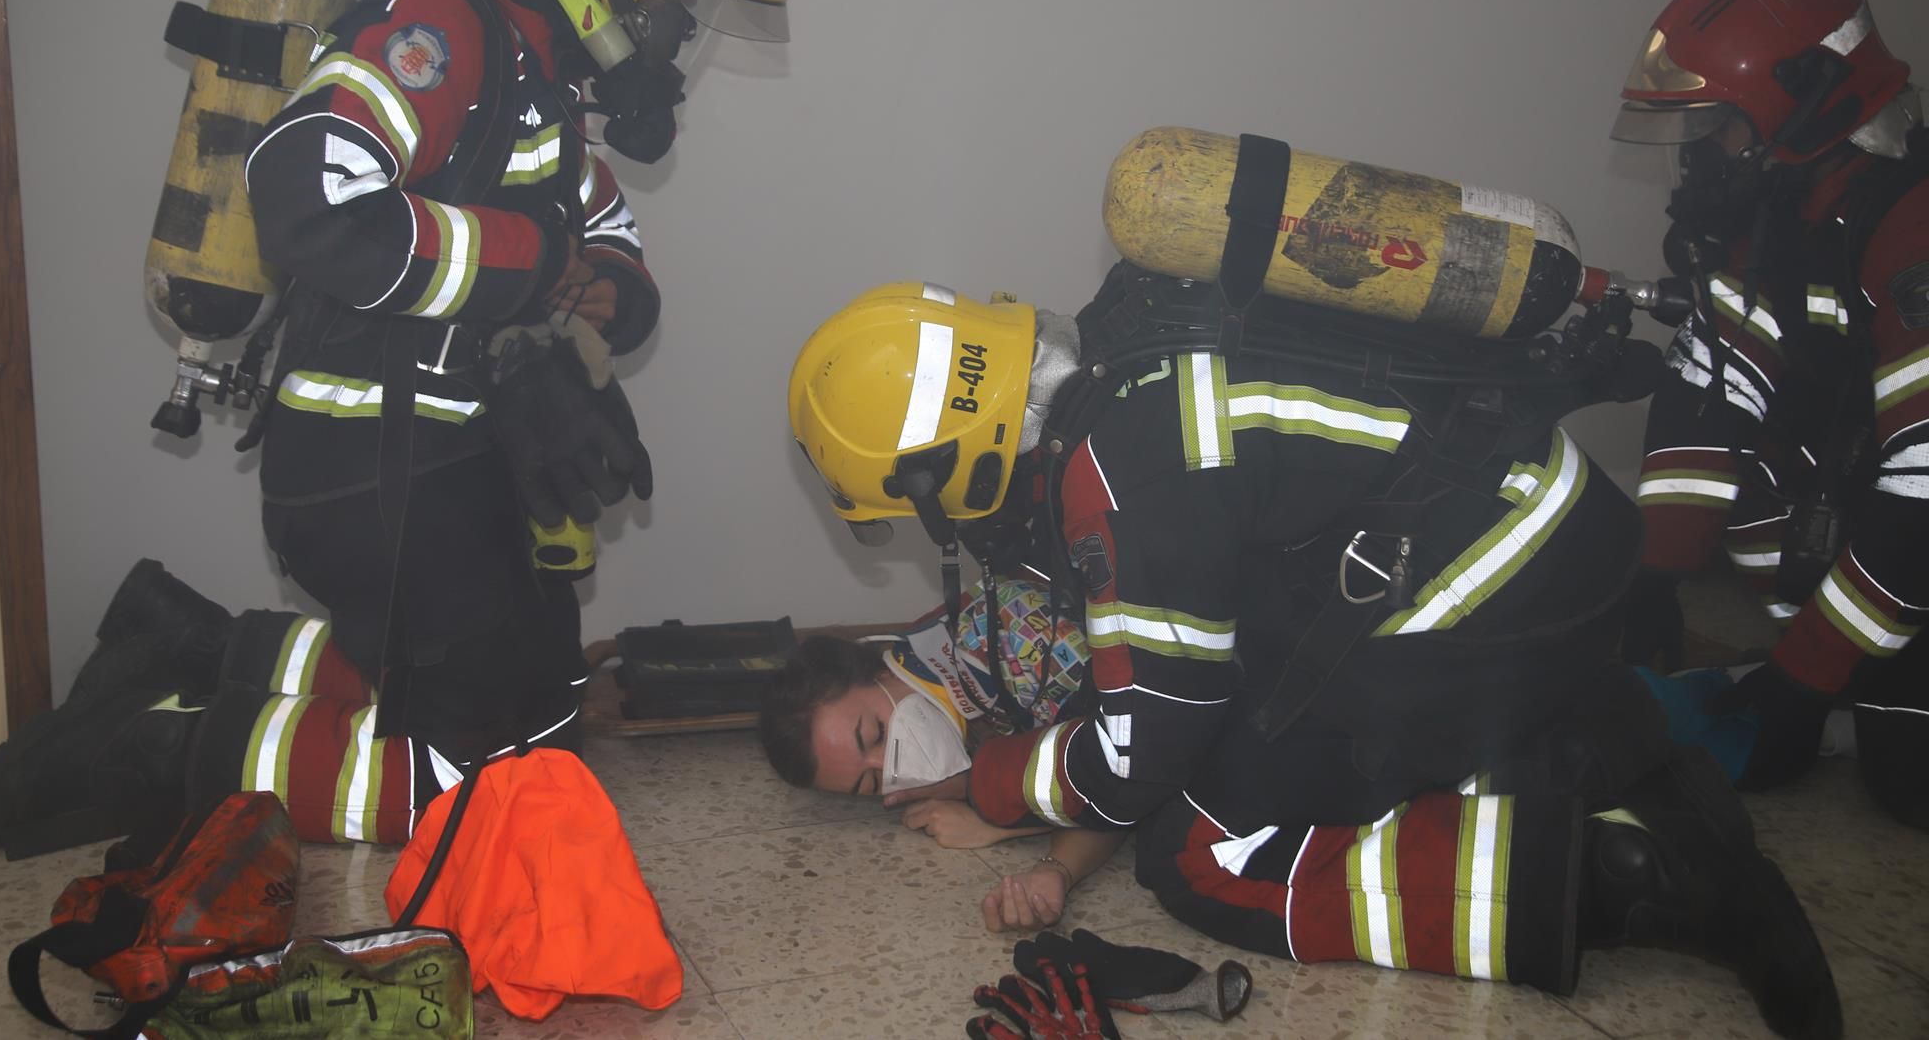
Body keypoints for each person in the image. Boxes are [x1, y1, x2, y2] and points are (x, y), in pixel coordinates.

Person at [0, 0, 787, 858]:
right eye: (682, 8)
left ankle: (199, 654)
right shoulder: (444, 24)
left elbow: (604, 241)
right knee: (478, 786)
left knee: (543, 721)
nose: (678, 43)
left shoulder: (541, 74)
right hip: (365, 465)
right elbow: (308, 199)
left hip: (458, 463)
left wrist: (601, 293)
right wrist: (534, 272)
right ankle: (161, 747)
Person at [785, 278, 1843, 1038]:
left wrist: (991, 782)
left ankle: (1647, 882)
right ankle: (1619, 756)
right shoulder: (1122, 364)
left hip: (1508, 566)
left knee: (1205, 845)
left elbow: (1135, 760)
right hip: (1510, 527)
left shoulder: (1116, 479)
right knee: (1257, 742)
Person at [1609, 0, 1927, 828]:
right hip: (1879, 517)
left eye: (1723, 125)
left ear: (1811, 96)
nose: (1710, 152)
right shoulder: (1789, 212)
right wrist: (1656, 577)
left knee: (1911, 784)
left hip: (1917, 523)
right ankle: (1841, 677)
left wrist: (1801, 682)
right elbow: (1710, 392)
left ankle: (1843, 692)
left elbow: (1923, 496)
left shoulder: (1911, 227)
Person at [760, 578, 1128, 931]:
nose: (893, 764)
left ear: (877, 672)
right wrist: (1053, 871)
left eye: (877, 734)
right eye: (874, 781)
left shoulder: (1007, 634)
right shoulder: (947, 721)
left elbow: (1127, 773)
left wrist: (994, 815)